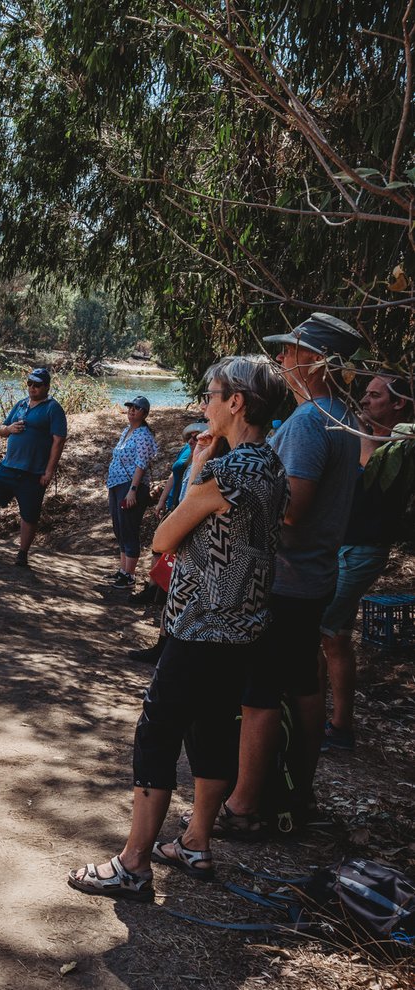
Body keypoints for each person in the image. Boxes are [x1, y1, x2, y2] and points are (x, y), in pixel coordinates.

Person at [68, 355, 289, 901]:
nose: (204, 403)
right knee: (212, 728)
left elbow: (164, 538)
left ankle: (134, 863)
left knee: (158, 732)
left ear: (235, 402)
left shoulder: (229, 472)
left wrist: (197, 467)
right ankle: (195, 843)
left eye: (211, 393)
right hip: (242, 628)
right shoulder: (270, 465)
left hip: (200, 627)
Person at [209, 313, 363, 836]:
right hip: (315, 576)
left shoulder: (307, 422)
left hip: (285, 578)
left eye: (291, 352)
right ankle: (299, 790)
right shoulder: (341, 416)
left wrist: (233, 497)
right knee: (302, 683)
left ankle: (244, 806)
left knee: (259, 694)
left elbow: (292, 507)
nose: (281, 361)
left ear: (317, 361)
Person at [318, 374, 414, 751]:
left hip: (361, 552)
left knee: (316, 631)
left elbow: (365, 459)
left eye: (375, 395)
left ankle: (307, 719)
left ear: (398, 404)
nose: (365, 400)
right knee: (337, 639)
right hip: (343, 547)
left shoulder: (400, 444)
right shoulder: (375, 436)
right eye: (366, 394)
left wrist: (356, 424)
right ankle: (340, 725)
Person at [0, 367, 68, 567]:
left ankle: (22, 555)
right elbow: (1, 430)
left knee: (29, 514)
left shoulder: (53, 408)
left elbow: (59, 441)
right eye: (29, 384)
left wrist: (49, 471)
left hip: (33, 472)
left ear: (46, 387)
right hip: (8, 466)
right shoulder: (21, 404)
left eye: (37, 385)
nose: (32, 388)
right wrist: (9, 429)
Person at [129, 422, 208, 608]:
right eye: (190, 436)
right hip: (175, 504)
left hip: (185, 509)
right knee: (159, 548)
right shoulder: (185, 452)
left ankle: (163, 592)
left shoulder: (205, 458)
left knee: (172, 550)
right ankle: (153, 588)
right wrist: (162, 500)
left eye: (196, 436)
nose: (192, 440)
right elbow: (173, 475)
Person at [105, 396, 159, 589]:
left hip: (131, 487)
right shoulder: (127, 430)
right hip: (117, 484)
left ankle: (130, 575)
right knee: (119, 528)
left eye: (137, 408)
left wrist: (133, 490)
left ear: (144, 413)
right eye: (130, 407)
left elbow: (141, 464)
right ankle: (122, 570)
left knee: (129, 529)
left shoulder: (144, 435)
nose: (132, 410)